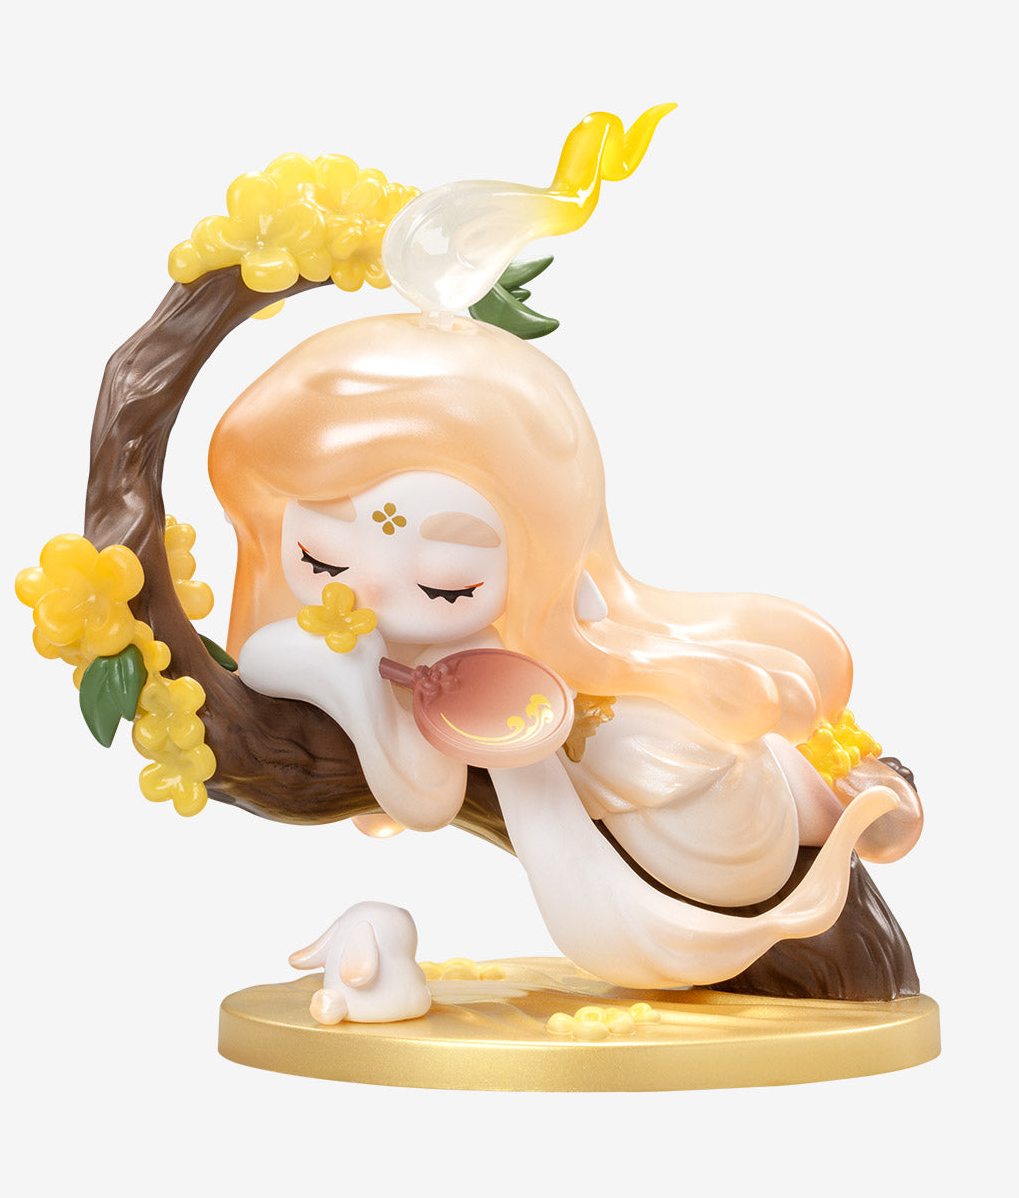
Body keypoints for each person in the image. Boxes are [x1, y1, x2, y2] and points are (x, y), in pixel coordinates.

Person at [208, 311, 922, 988]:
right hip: (699, 819)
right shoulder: (342, 650)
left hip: (704, 803)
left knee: (736, 763)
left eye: (444, 583)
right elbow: (398, 774)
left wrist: (358, 683)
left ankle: (843, 800)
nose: (369, 589)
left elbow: (426, 795)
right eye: (323, 559)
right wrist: (351, 676)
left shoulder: (519, 646)